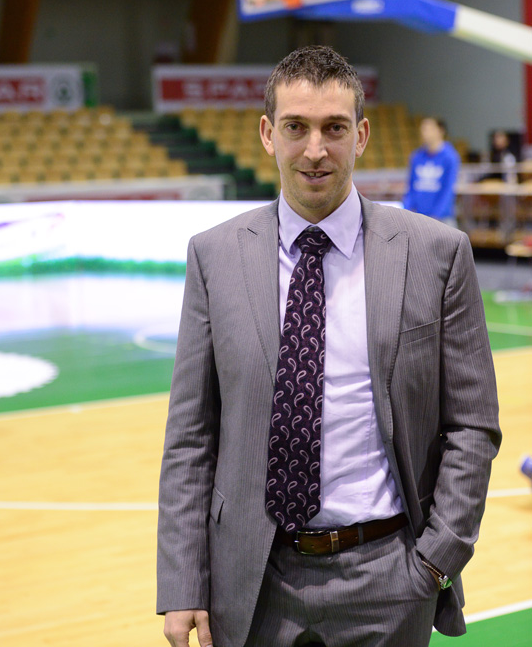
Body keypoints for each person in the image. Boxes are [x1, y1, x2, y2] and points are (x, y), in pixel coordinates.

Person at [157, 45, 501, 647]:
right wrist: (184, 581)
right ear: (268, 134)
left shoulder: (436, 254)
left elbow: (472, 425)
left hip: (390, 579)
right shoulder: (214, 257)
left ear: (360, 136)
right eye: (296, 127)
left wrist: (437, 558)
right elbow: (191, 437)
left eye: (334, 128)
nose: (315, 150)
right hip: (252, 582)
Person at [402, 117, 460, 225]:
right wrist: (407, 210)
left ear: (440, 131)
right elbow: (411, 187)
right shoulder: (417, 157)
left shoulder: (450, 157)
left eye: (429, 129)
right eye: (423, 129)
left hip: (442, 218)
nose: (425, 133)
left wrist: (436, 214)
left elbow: (448, 189)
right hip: (419, 217)